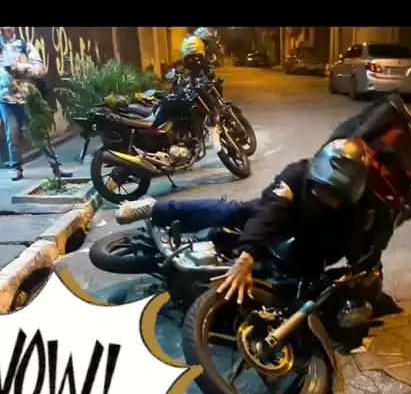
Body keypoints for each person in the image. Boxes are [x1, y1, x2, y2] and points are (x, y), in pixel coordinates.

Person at [115, 128, 395, 305]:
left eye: (335, 196)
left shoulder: (369, 205)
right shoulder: (297, 174)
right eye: (321, 191)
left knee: (296, 291)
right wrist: (246, 256)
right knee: (233, 211)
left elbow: (372, 242)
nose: (326, 199)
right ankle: (155, 208)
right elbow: (271, 212)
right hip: (284, 216)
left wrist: (366, 272)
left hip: (316, 244)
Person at [0, 26, 72, 182]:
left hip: (27, 98)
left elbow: (40, 70)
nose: (5, 29)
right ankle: (16, 168)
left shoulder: (24, 46)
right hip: (5, 100)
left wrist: (20, 68)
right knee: (12, 137)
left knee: (39, 133)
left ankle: (56, 166)